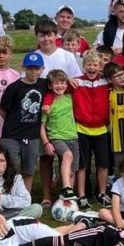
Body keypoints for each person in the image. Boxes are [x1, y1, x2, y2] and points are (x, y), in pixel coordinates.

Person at [0, 52, 48, 201]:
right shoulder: (14, 87)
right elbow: (2, 111)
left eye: (36, 68)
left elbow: (61, 82)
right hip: (12, 134)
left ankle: (25, 199)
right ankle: (9, 198)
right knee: (11, 168)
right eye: (29, 68)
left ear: (42, 69)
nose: (33, 72)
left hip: (32, 135)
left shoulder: (45, 84)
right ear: (23, 68)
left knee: (28, 169)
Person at [72, 51, 112, 209]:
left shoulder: (105, 82)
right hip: (82, 129)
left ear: (100, 67)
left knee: (103, 164)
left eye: (95, 64)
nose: (92, 67)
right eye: (89, 64)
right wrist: (68, 79)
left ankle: (102, 193)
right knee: (82, 165)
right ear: (83, 66)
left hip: (101, 129)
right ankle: (81, 195)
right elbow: (57, 85)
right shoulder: (76, 82)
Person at [40, 69, 80, 200]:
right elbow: (42, 127)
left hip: (73, 137)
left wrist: (68, 80)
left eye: (62, 83)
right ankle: (66, 188)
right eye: (56, 83)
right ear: (50, 86)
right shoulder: (48, 105)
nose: (60, 86)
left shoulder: (69, 97)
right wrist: (46, 143)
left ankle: (69, 198)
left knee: (72, 171)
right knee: (67, 155)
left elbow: (76, 85)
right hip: (57, 137)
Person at [104, 62, 124, 172]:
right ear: (110, 80)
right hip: (116, 138)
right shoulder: (108, 94)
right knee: (120, 167)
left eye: (122, 74)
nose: (121, 77)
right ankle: (119, 187)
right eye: (116, 76)